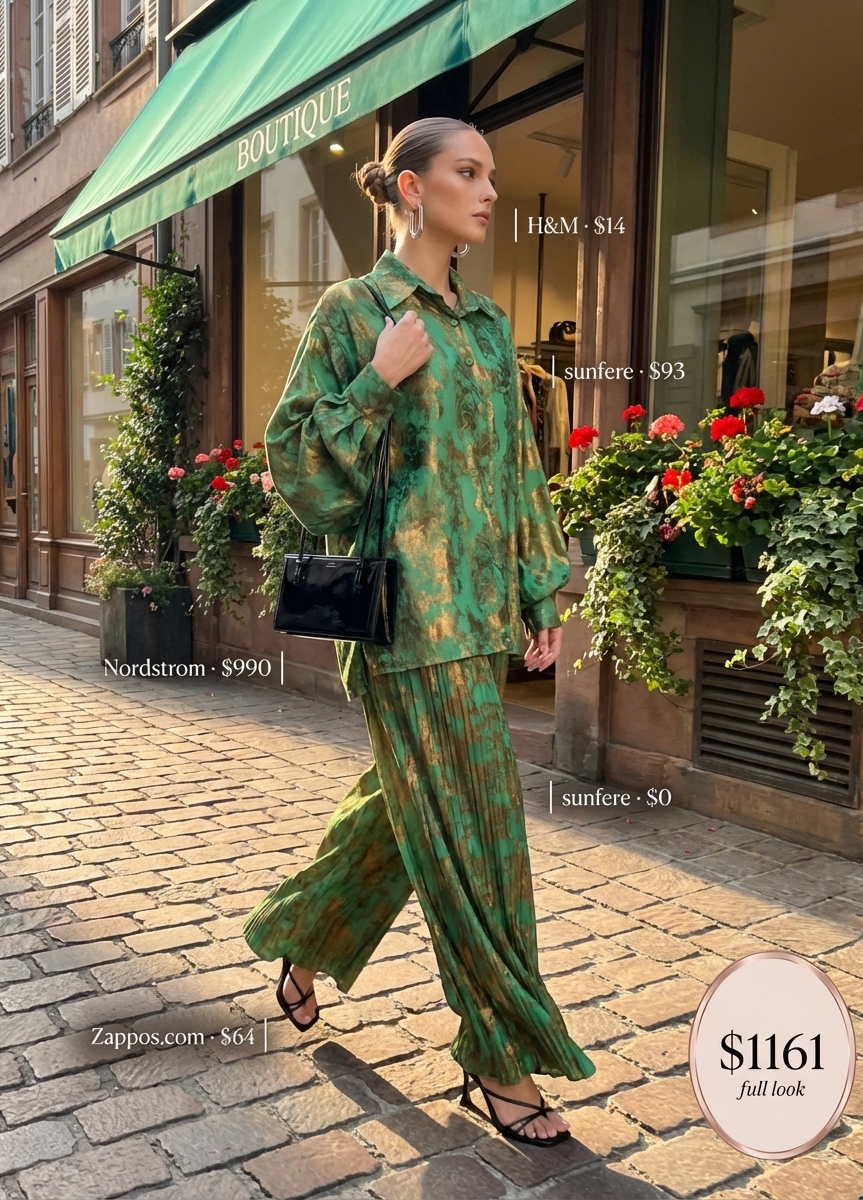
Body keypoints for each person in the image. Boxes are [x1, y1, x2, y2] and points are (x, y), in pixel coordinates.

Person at [243, 116, 595, 1146]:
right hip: (398, 624)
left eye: (492, 175)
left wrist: (540, 595)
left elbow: (517, 475)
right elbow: (299, 470)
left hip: (474, 619)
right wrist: (373, 380)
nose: (488, 191)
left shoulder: (486, 328)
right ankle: (502, 1056)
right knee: (481, 833)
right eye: (466, 172)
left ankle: (301, 940)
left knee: (408, 813)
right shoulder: (356, 312)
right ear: (407, 188)